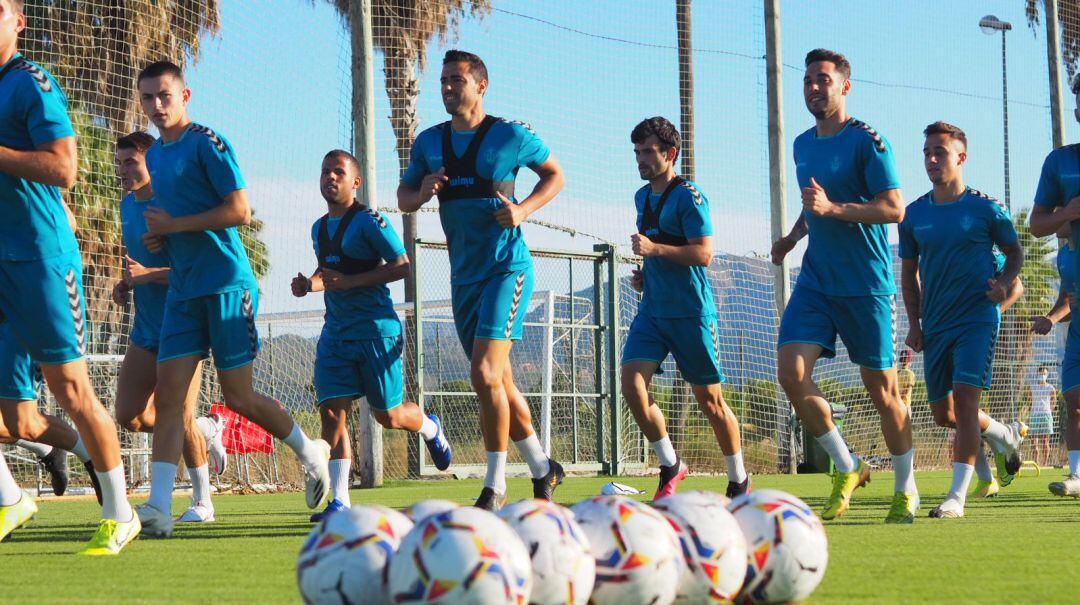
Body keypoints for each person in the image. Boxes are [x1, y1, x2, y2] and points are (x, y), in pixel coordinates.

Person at [133, 61, 329, 537]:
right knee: (169, 396)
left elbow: (239, 210)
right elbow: (176, 216)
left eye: (164, 96)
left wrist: (174, 227)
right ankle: (159, 506)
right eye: (148, 98)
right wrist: (165, 240)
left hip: (227, 285)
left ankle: (310, 451)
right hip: (183, 289)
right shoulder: (155, 156)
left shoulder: (209, 143)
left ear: (185, 96)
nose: (157, 106)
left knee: (238, 396)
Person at [397, 50, 566, 511]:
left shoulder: (509, 135)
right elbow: (404, 197)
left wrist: (523, 209)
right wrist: (424, 188)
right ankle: (542, 467)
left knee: (484, 373)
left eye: (457, 79)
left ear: (481, 85)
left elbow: (555, 174)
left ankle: (494, 486)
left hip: (506, 270)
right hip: (463, 278)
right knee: (501, 384)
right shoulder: (429, 142)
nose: (448, 87)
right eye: (444, 80)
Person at [0, 0, 138, 553]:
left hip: (41, 260)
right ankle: (12, 499)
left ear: (17, 22)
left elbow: (64, 166)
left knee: (73, 390)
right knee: (18, 417)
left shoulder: (31, 82)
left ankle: (122, 512)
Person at [770, 48, 914, 522]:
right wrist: (793, 237)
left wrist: (835, 210)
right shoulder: (802, 144)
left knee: (883, 392)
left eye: (824, 79)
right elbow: (815, 203)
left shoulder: (868, 142)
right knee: (791, 373)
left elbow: (894, 209)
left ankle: (905, 488)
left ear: (844, 86)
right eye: (808, 79)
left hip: (867, 285)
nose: (814, 87)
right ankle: (847, 463)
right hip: (816, 282)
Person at [293, 149, 452, 521]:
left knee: (389, 416)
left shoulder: (369, 221)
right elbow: (327, 270)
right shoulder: (318, 228)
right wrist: (310, 284)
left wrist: (350, 283)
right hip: (336, 334)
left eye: (337, 172)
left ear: (355, 182)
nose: (329, 178)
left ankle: (430, 427)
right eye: (324, 172)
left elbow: (402, 266)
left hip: (376, 331)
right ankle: (341, 501)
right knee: (332, 413)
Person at [899, 121, 1026, 518]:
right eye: (927, 153)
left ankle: (956, 497)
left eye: (940, 152)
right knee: (945, 414)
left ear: (961, 157)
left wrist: (1004, 283)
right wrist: (915, 325)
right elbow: (908, 274)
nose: (932, 159)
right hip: (935, 324)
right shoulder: (914, 214)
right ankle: (1002, 434)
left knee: (967, 402)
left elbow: (1015, 253)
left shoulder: (986, 208)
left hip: (978, 319)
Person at [620, 116, 748, 500]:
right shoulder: (642, 197)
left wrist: (655, 250)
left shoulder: (690, 196)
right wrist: (646, 273)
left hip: (691, 314)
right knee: (632, 385)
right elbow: (657, 248)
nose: (640, 159)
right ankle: (670, 463)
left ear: (670, 153)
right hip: (653, 313)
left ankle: (739, 479)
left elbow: (703, 253)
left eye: (648, 152)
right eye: (637, 152)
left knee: (711, 402)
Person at [112, 131, 226, 524]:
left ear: (151, 163)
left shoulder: (174, 206)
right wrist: (127, 282)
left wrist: (148, 274)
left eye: (131, 162)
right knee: (128, 415)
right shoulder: (127, 207)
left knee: (178, 411)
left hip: (184, 326)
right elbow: (137, 266)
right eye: (120, 162)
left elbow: (194, 269)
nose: (123, 169)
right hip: (146, 329)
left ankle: (203, 503)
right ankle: (206, 431)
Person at [1028, 74, 1080, 498]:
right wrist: (1068, 212)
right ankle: (1077, 474)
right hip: (1077, 322)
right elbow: (1036, 224)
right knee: (1074, 398)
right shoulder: (1059, 162)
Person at [1028, 367, 1057, 467]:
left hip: (1046, 415)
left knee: (1045, 441)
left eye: (1044, 374)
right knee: (1034, 441)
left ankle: (1044, 464)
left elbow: (1054, 401)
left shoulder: (1051, 388)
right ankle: (1036, 462)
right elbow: (1029, 400)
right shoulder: (1032, 386)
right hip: (1034, 415)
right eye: (1041, 373)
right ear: (1037, 374)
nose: (1042, 375)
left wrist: (1049, 410)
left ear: (1047, 375)